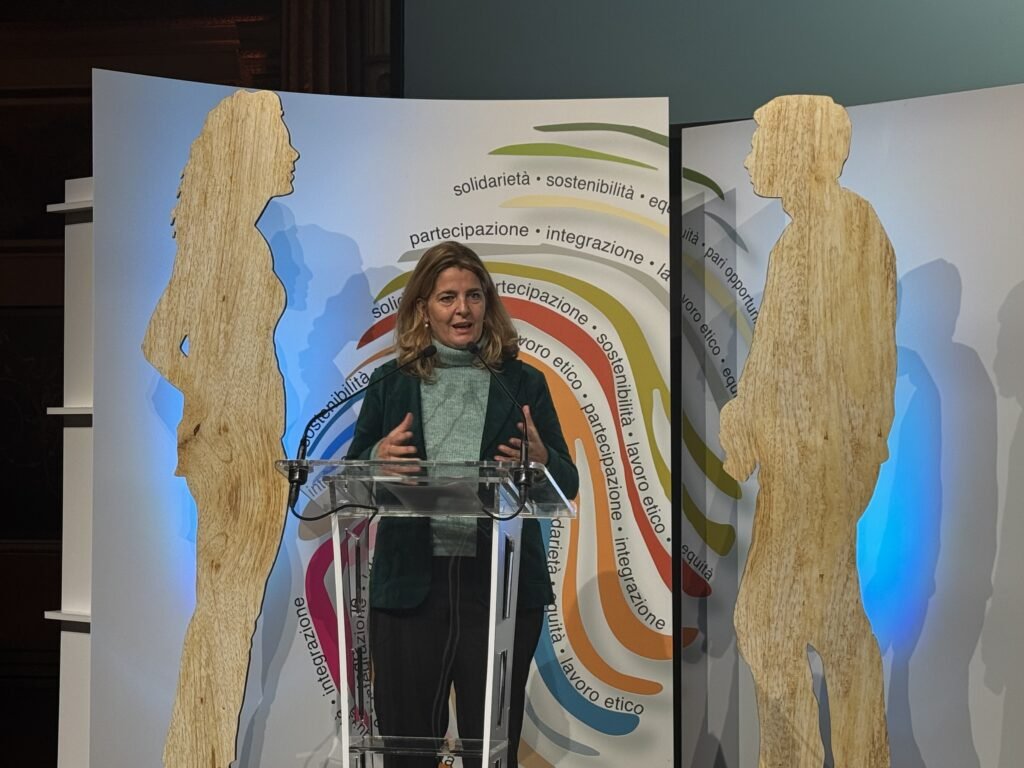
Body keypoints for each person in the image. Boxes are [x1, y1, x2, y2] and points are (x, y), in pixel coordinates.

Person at [347, 240, 579, 767]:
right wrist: (376, 458)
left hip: (497, 587)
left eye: (474, 296)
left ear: (487, 304)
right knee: (408, 751)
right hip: (411, 587)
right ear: (423, 308)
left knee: (489, 752)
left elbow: (566, 482)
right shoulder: (391, 382)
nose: (463, 309)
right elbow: (354, 472)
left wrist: (544, 460)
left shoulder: (522, 382)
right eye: (447, 297)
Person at [720, 96, 895, 768]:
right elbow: (781, 364)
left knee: (769, 626)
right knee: (832, 624)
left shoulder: (845, 228)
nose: (749, 158)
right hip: (800, 470)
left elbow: (850, 370)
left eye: (759, 140)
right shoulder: (799, 239)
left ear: (797, 146)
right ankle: (860, 756)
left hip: (817, 473)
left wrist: (839, 466)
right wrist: (747, 417)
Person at [142, 89, 298, 768]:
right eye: (281, 139)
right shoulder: (223, 242)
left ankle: (201, 753)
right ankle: (199, 755)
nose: (292, 153)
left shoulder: (238, 239)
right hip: (235, 453)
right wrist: (219, 404)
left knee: (226, 614)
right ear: (247, 152)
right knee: (224, 615)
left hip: (251, 449)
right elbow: (159, 342)